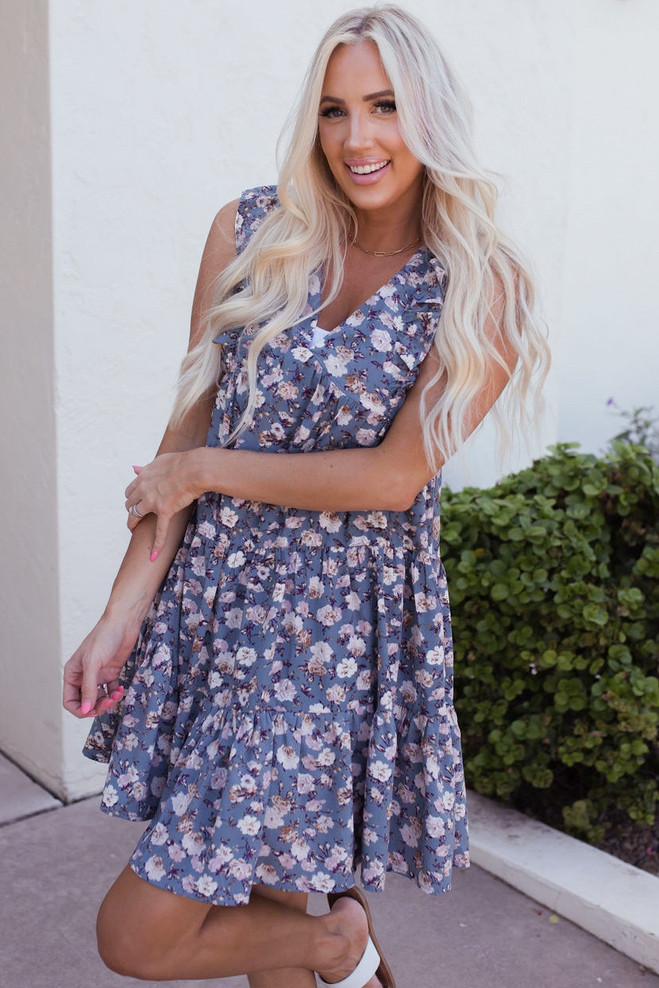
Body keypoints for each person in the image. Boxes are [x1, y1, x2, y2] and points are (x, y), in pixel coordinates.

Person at [62, 6, 549, 987]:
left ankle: (336, 942)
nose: (356, 138)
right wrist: (122, 613)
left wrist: (204, 473)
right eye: (333, 111)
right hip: (213, 609)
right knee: (269, 889)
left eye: (383, 107)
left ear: (429, 118)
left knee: (139, 933)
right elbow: (183, 435)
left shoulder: (476, 286)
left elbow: (390, 475)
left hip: (326, 642)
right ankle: (332, 944)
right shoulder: (249, 231)